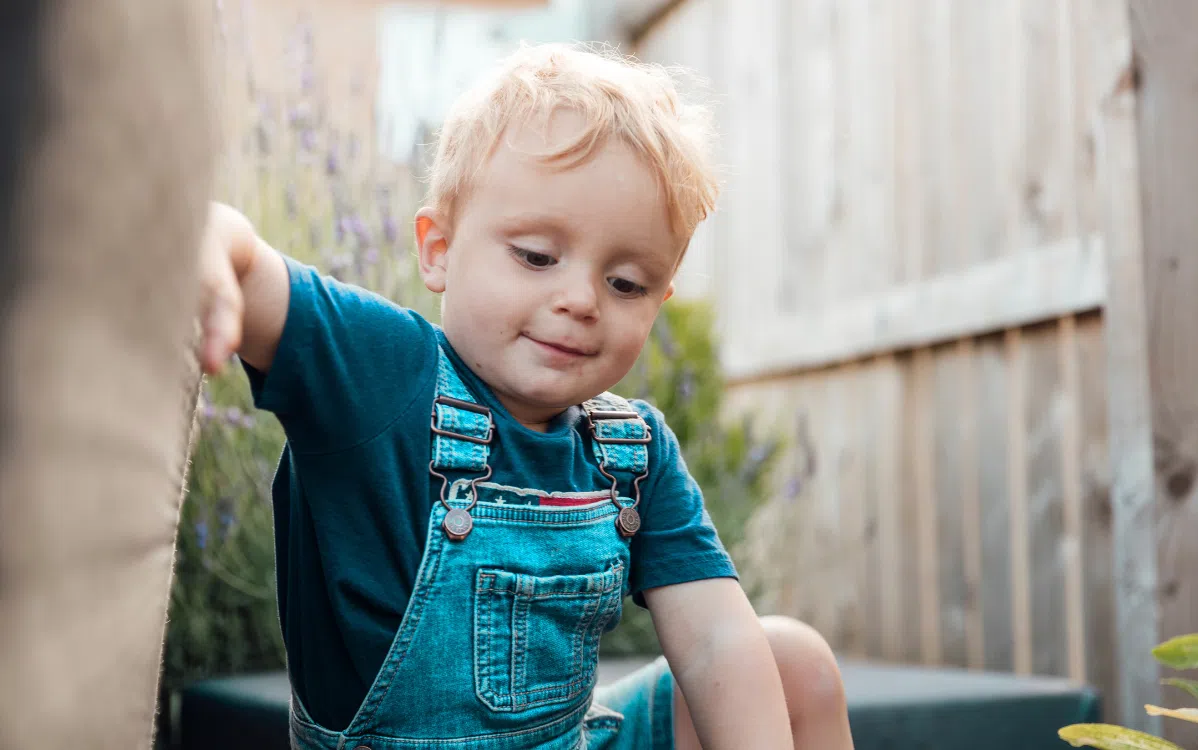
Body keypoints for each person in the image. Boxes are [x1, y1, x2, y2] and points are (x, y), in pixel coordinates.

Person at [197, 42, 854, 750]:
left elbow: (716, 638)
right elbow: (246, 261)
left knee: (791, 665)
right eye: (538, 257)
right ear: (438, 248)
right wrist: (203, 241)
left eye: (625, 282)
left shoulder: (629, 453)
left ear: (659, 300)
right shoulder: (381, 375)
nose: (580, 299)